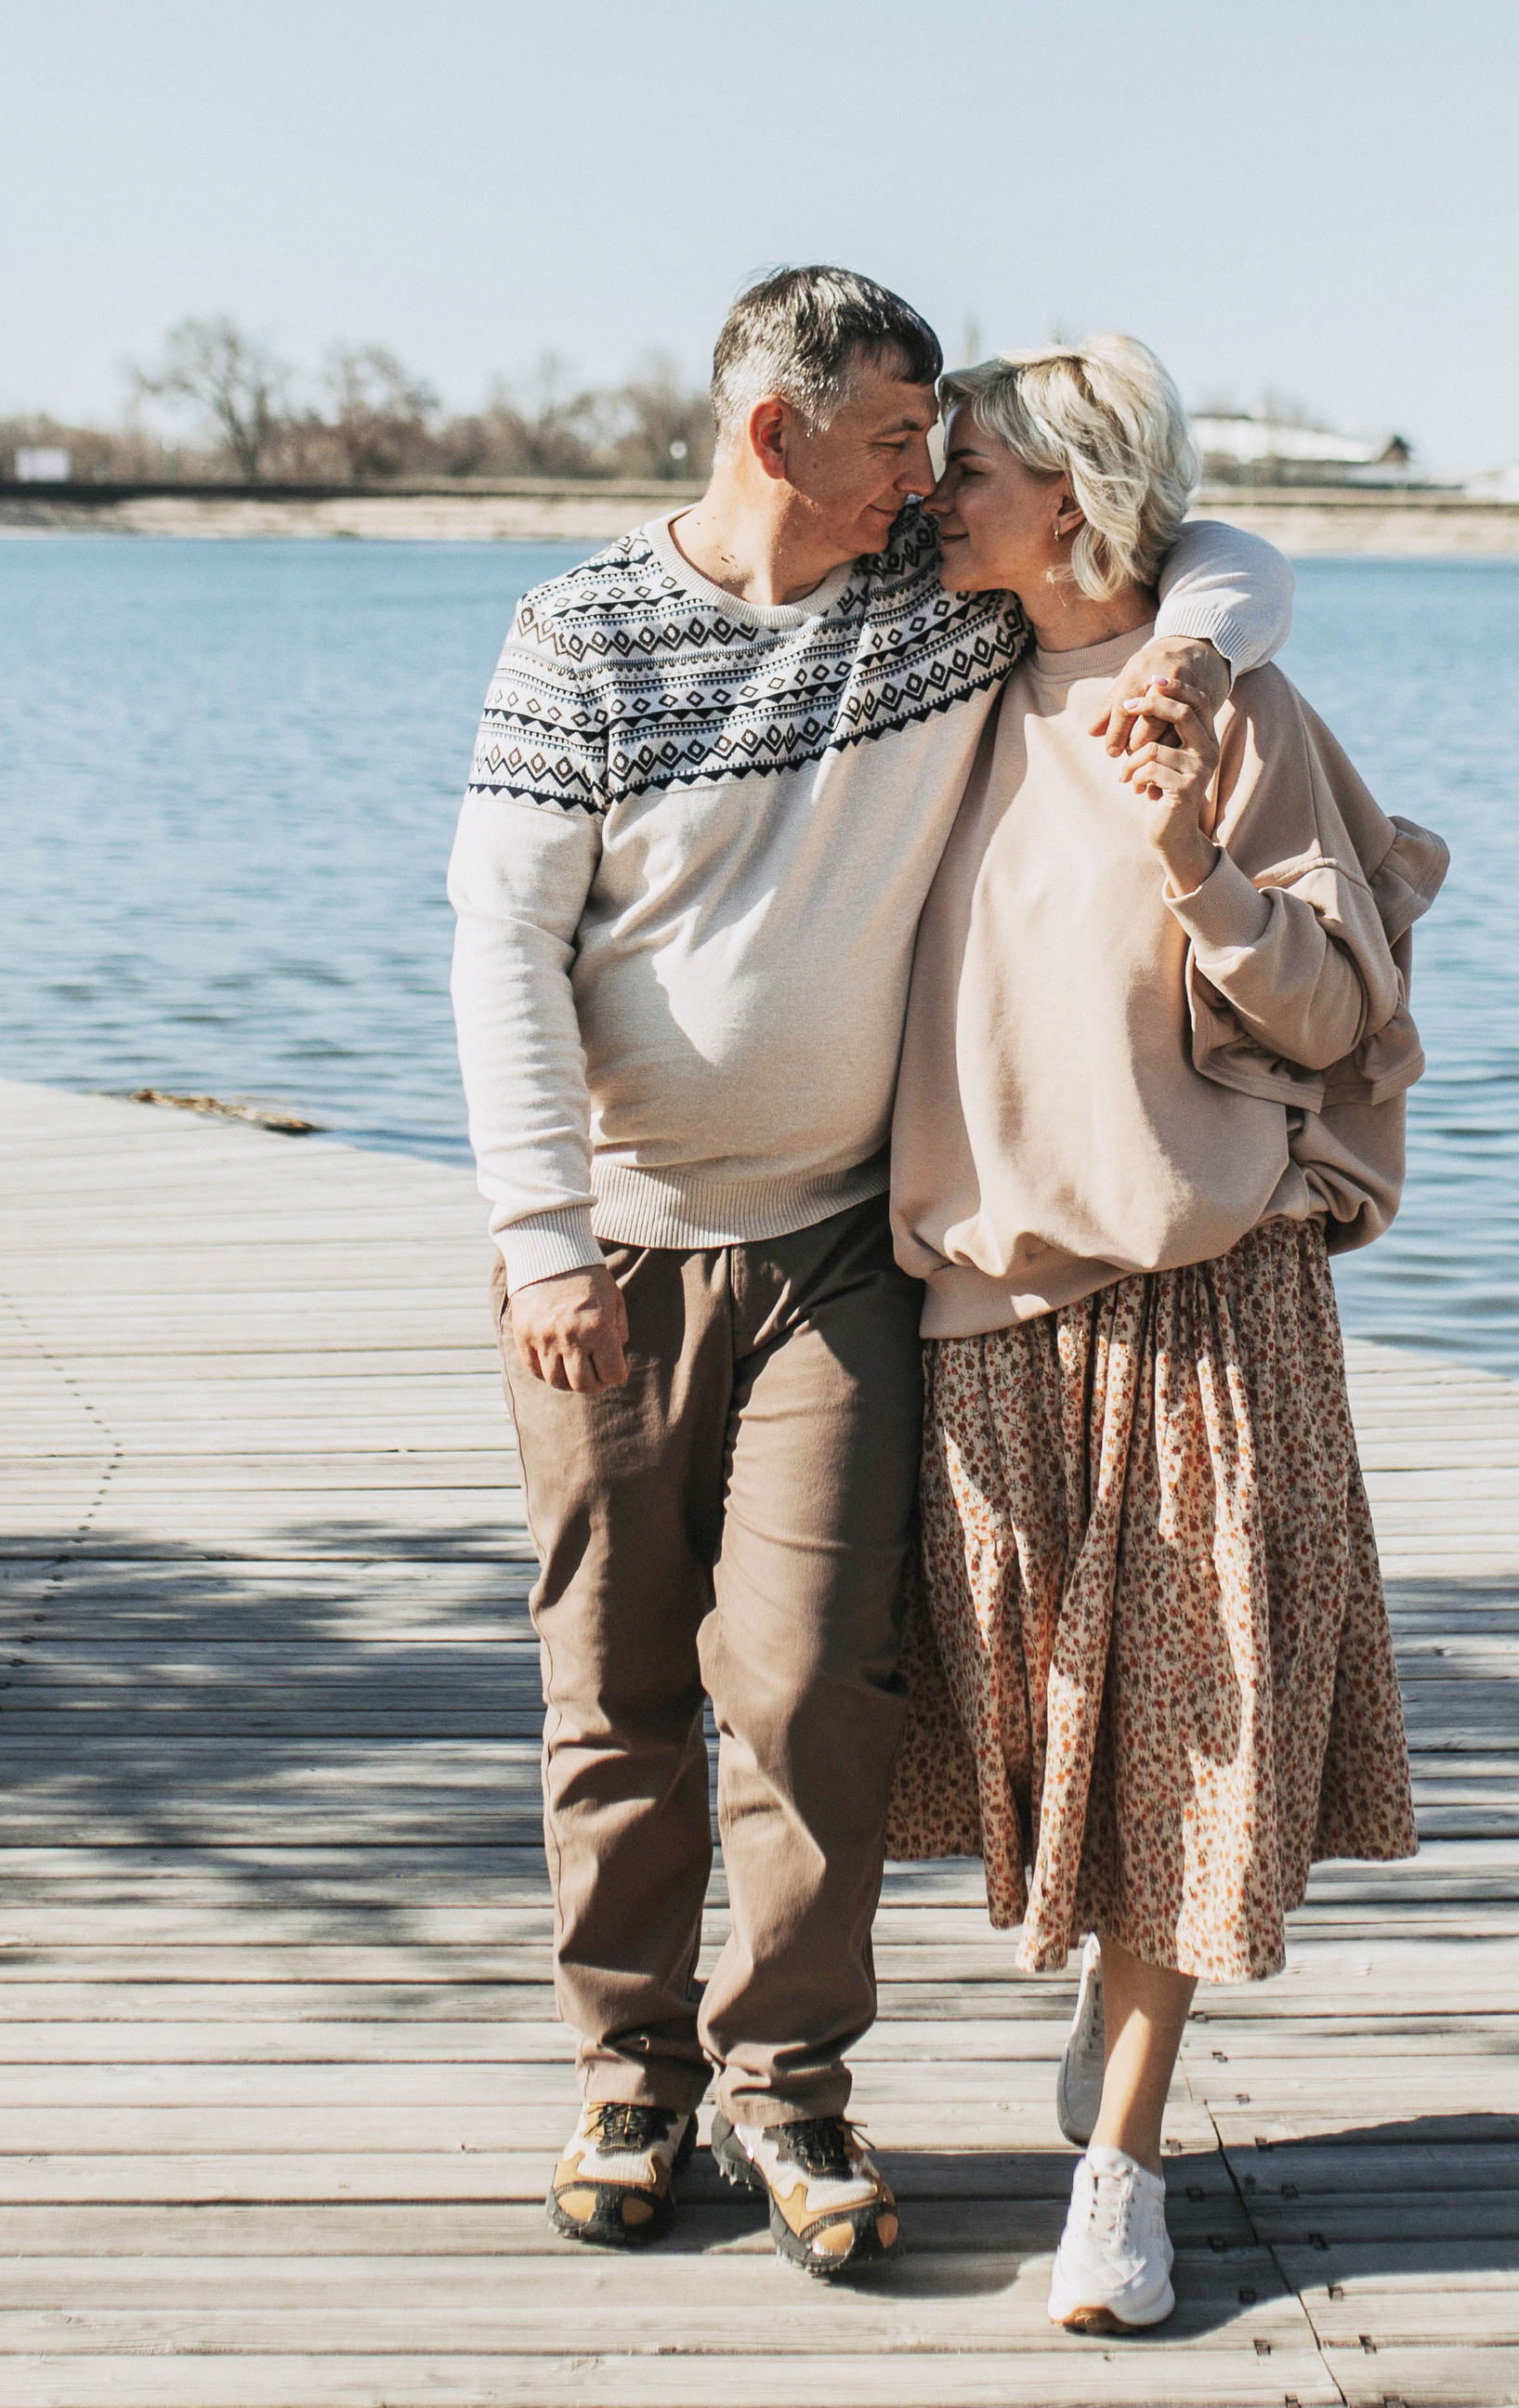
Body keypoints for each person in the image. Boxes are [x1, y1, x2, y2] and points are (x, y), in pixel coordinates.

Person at [447, 267, 1296, 2280]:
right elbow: (500, 943)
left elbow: (1225, 553)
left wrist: (1183, 660)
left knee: (815, 1686)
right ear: (778, 433)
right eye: (895, 438)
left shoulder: (925, 594)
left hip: (840, 1245)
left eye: (938, 446)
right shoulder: (578, 633)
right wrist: (540, 1239)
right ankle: (630, 2074)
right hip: (615, 1248)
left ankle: (786, 2088)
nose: (924, 477)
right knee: (614, 1685)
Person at [883, 334, 1444, 2336]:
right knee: (1047, 1738)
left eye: (972, 467)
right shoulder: (943, 689)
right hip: (981, 1309)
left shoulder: (1232, 712)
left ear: (1074, 497)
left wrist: (1195, 862)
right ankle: (1106, 2024)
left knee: (1190, 1740)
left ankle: (1119, 2165)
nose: (936, 494)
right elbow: (1230, 556)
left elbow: (1339, 1009)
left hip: (1206, 1307)